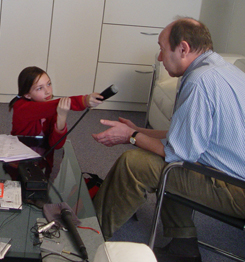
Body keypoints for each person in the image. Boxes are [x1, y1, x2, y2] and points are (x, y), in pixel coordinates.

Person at [92, 17, 245, 262]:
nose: (160, 58)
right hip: (234, 176)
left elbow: (178, 153)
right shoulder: (223, 70)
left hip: (237, 190)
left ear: (183, 48)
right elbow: (184, 135)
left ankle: (87, 239)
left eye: (162, 49)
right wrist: (138, 130)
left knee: (134, 164)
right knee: (162, 157)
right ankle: (183, 245)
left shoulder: (200, 82)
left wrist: (131, 137)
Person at [9, 66, 103, 150]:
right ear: (27, 95)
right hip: (18, 156)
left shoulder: (51, 109)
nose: (48, 91)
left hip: (40, 157)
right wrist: (85, 101)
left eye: (49, 84)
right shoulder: (21, 107)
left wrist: (62, 116)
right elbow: (53, 105)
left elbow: (56, 145)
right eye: (39, 88)